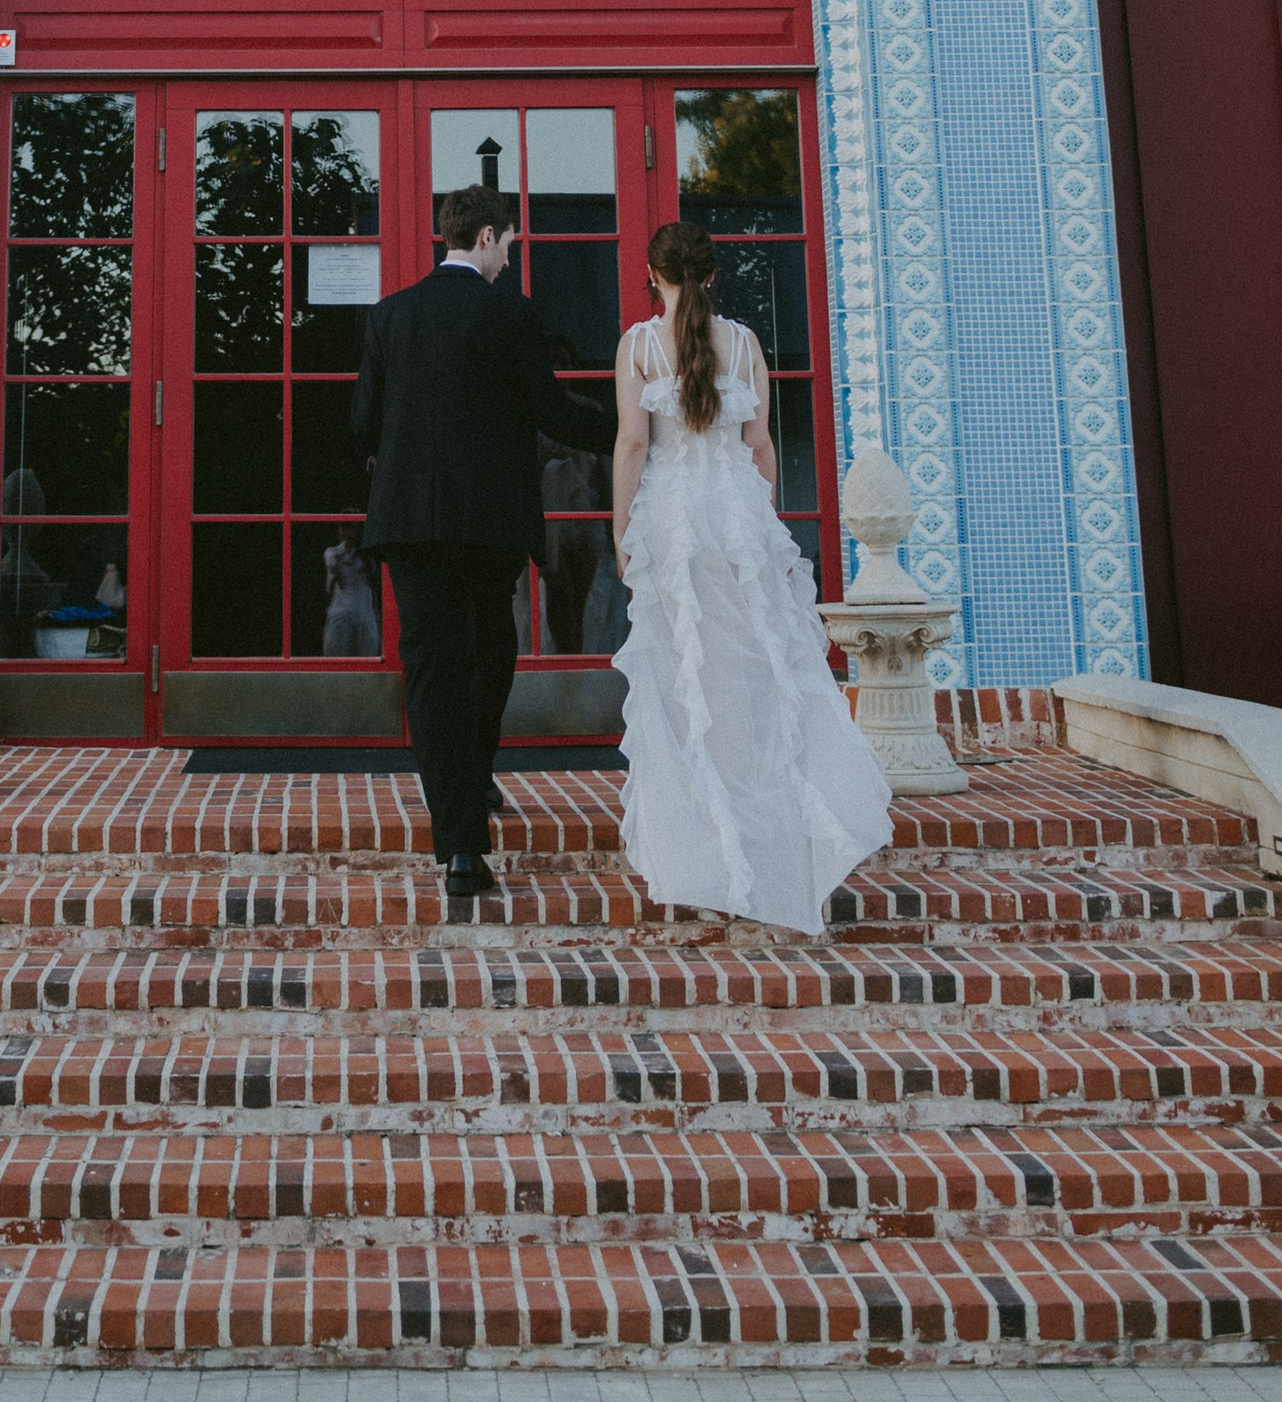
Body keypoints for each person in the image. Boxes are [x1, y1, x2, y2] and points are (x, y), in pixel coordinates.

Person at [610, 219, 895, 928]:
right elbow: (760, 446)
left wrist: (621, 532)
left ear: (654, 276)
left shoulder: (640, 345)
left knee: (685, 682)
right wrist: (761, 524)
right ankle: (771, 836)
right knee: (754, 678)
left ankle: (701, 850)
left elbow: (632, 445)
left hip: (676, 528)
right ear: (711, 276)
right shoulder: (744, 343)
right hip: (736, 521)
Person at [352, 184, 604, 896]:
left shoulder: (389, 315)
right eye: (511, 243)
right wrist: (630, 430)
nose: (510, 256)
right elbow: (552, 412)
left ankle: (460, 837)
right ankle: (471, 797)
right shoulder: (511, 313)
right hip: (490, 522)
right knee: (489, 654)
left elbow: (362, 422)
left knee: (431, 669)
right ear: (490, 237)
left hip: (410, 521)